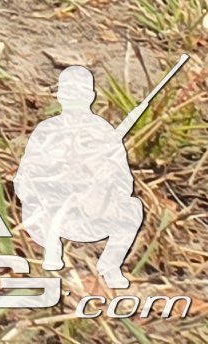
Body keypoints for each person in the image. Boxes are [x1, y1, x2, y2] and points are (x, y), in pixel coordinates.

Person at [15, 66, 143, 288]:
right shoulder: (47, 130)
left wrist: (102, 180)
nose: (75, 99)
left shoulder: (103, 131)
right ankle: (51, 255)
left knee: (132, 208)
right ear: (60, 96)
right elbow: (25, 176)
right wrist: (55, 181)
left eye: (80, 93)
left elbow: (124, 181)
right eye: (69, 92)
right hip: (51, 210)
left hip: (92, 212)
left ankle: (110, 266)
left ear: (91, 96)